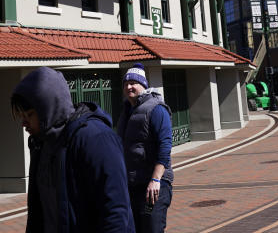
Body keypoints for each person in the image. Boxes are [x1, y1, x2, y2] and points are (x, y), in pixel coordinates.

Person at [11, 67, 134, 233]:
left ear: (49, 107)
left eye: (30, 115)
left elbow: (115, 211)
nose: (24, 123)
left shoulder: (95, 138)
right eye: (21, 116)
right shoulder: (41, 144)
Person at [116, 63, 173, 233]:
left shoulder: (156, 109)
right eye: (126, 83)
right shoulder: (127, 111)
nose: (129, 87)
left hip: (154, 186)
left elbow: (165, 145)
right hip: (133, 185)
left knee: (152, 228)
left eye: (133, 82)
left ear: (144, 85)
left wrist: (155, 180)